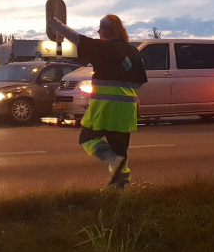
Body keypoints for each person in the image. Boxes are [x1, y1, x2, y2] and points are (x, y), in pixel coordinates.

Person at [48, 13, 147, 189]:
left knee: (87, 139)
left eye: (100, 28)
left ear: (108, 30)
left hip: (105, 108)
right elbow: (140, 81)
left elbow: (76, 38)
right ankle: (119, 188)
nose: (98, 31)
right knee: (120, 150)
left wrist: (54, 23)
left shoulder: (103, 48)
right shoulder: (133, 51)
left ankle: (113, 163)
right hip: (127, 111)